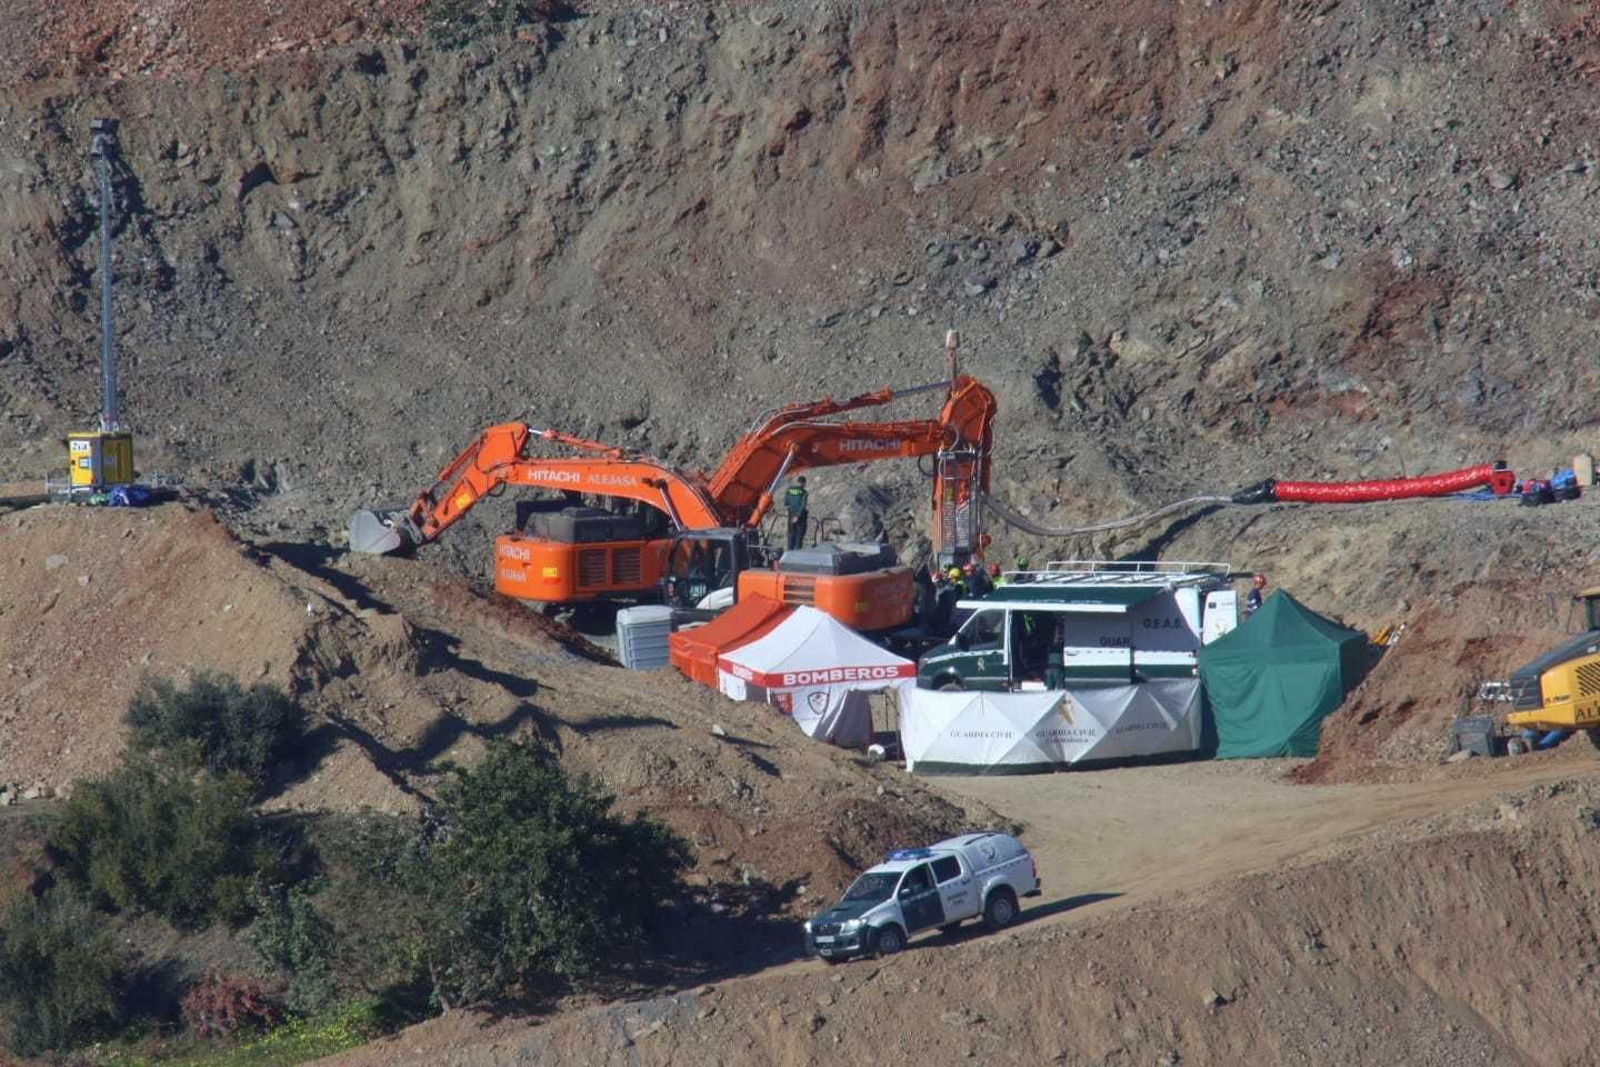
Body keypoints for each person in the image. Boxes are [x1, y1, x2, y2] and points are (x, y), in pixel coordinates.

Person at [783, 476, 809, 551]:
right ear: (803, 483)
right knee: (799, 536)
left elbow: (786, 503)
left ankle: (789, 552)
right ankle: (797, 553)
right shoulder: (804, 492)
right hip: (800, 517)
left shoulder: (789, 490)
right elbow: (803, 505)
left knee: (791, 534)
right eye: (804, 483)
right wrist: (797, 516)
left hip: (791, 514)